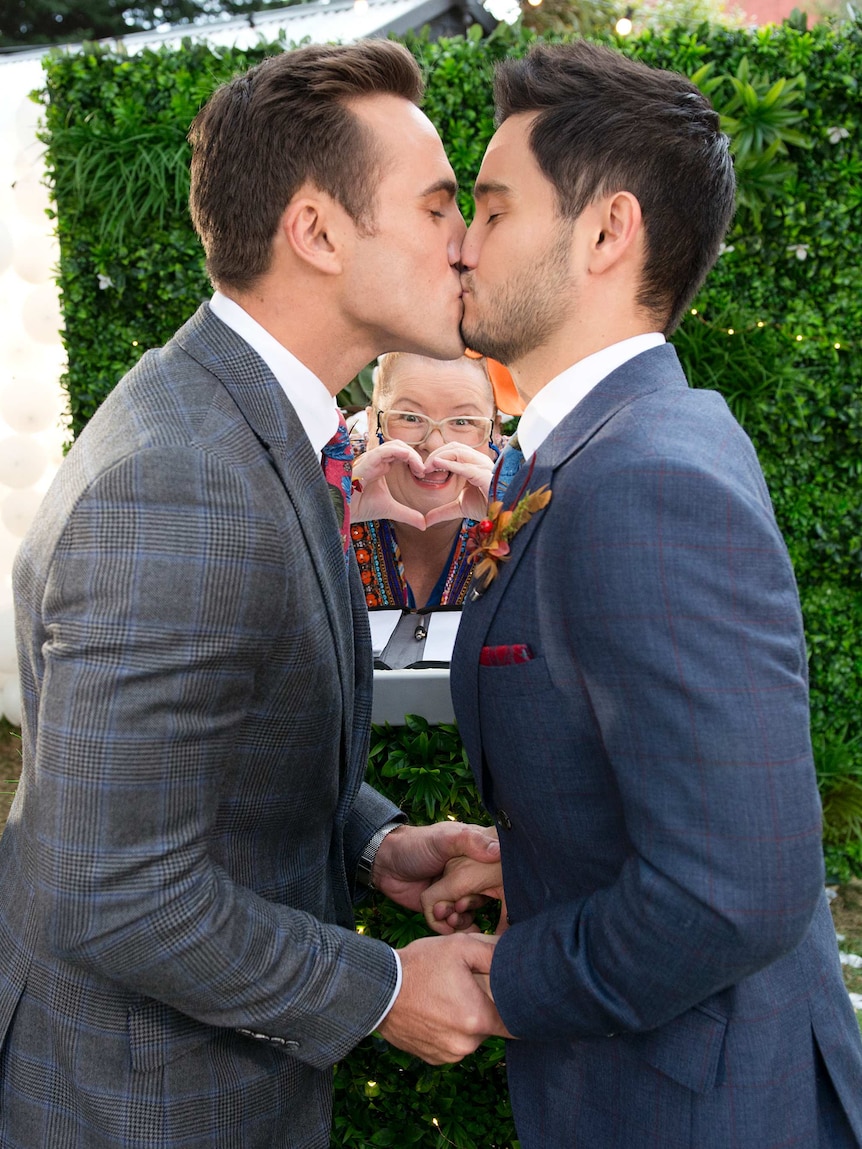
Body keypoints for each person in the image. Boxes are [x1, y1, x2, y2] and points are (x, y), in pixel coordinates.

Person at [0, 41, 509, 1149]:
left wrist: (373, 844)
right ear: (317, 232)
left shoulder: (239, 420)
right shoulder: (183, 478)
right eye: (434, 208)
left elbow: (206, 773)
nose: (465, 244)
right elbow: (114, 888)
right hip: (142, 1103)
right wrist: (378, 989)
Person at [424, 39, 862, 1148]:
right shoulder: (611, 444)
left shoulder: (648, 479)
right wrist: (531, 856)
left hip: (703, 1108)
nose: (461, 247)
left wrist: (505, 985)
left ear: (608, 231)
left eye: (491, 209)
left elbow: (735, 889)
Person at [350, 351, 497, 614]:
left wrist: (514, 525)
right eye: (409, 417)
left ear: (493, 432)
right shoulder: (322, 485)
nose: (434, 443)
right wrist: (332, 520)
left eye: (463, 421)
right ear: (373, 424)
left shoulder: (536, 490)